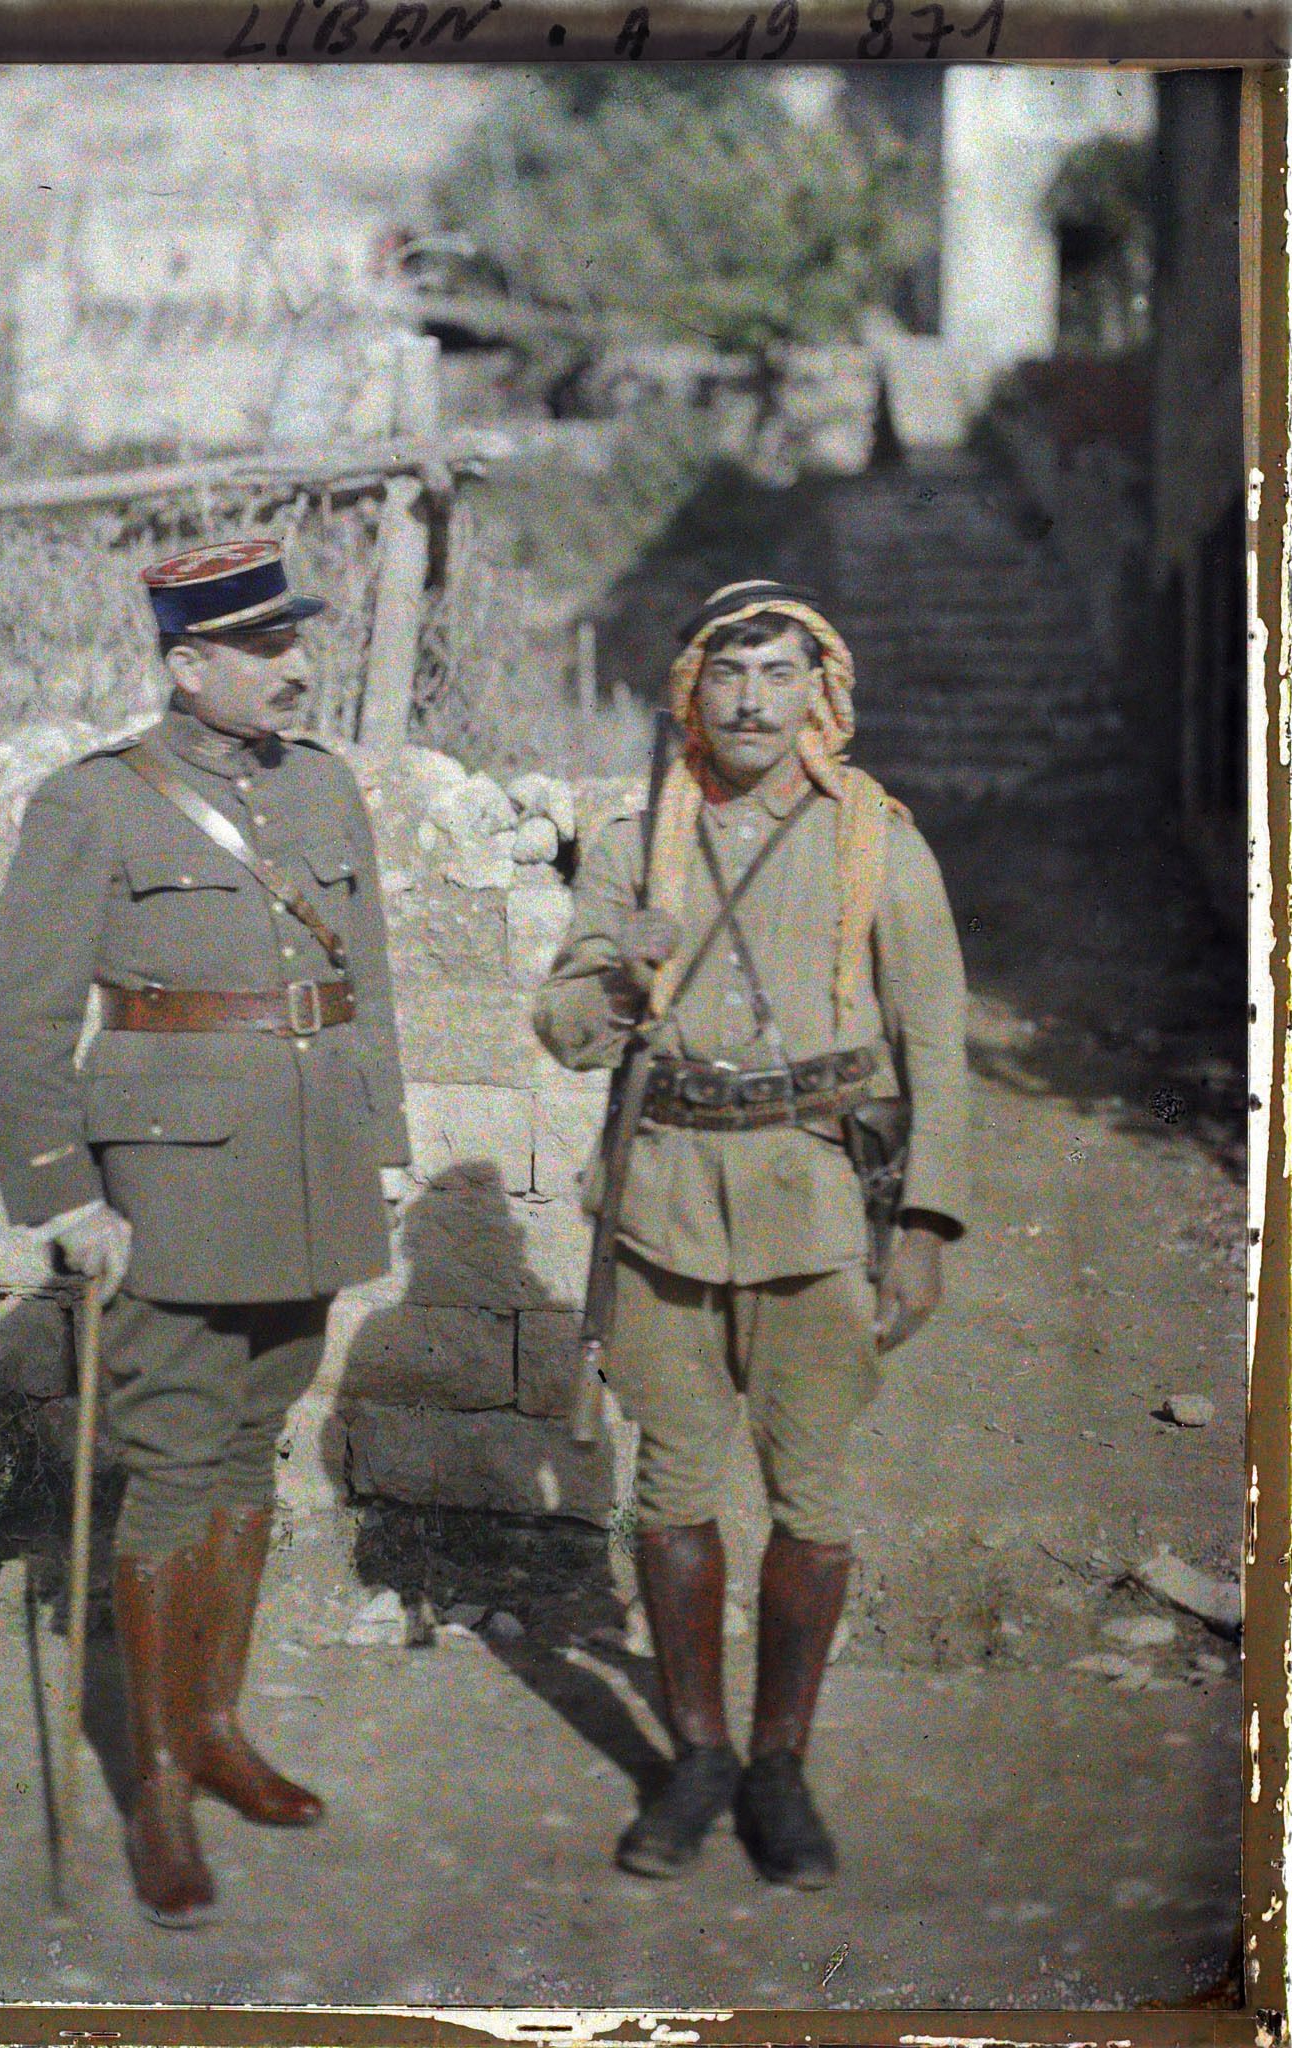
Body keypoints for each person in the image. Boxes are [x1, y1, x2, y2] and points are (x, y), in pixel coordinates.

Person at [0, 539, 411, 1926]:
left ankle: (215, 1729)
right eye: (264, 648)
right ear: (186, 665)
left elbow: (365, 983)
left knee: (245, 1451)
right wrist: (65, 1194)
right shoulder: (96, 804)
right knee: (169, 1467)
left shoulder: (326, 786)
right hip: (169, 1191)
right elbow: (8, 1012)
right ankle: (157, 1780)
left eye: (299, 642)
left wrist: (380, 1150)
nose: (296, 668)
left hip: (307, 1177)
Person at [533, 580, 968, 1888]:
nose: (752, 701)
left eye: (780, 674)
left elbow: (938, 1043)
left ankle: (781, 1766)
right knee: (670, 1489)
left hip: (818, 1206)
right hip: (665, 1201)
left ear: (818, 691)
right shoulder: (633, 845)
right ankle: (701, 1755)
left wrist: (928, 1223)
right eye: (729, 675)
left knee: (813, 1498)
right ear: (691, 693)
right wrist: (620, 969)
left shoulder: (874, 842)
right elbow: (561, 1030)